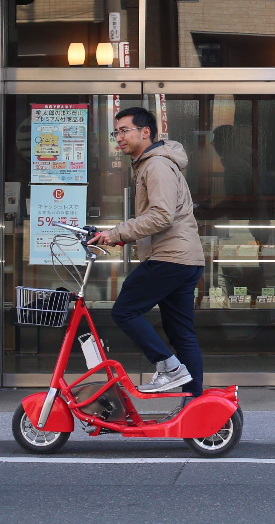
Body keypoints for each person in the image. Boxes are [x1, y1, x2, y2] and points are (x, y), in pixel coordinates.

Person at [90, 107, 205, 396]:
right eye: (116, 132)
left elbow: (161, 216)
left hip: (170, 257)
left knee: (126, 311)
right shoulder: (152, 163)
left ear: (146, 132)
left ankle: (169, 367)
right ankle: (195, 403)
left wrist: (115, 234)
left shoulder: (156, 166)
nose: (119, 137)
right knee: (182, 334)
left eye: (125, 130)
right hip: (184, 258)